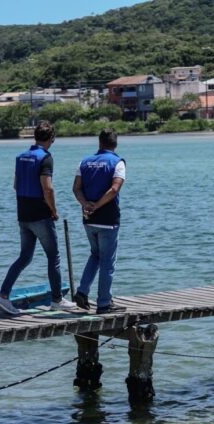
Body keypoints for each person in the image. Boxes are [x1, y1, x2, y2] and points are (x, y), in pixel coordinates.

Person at [0, 121, 76, 315]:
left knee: (24, 257)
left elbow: (16, 185)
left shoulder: (21, 157)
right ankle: (57, 299)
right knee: (53, 256)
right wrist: (54, 210)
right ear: (51, 139)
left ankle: (3, 295)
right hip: (40, 214)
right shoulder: (45, 158)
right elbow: (48, 187)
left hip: (23, 214)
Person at [72, 128, 127, 314]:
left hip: (88, 218)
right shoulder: (118, 163)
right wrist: (97, 205)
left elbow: (76, 188)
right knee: (107, 262)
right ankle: (104, 303)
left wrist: (86, 204)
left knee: (95, 255)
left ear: (100, 142)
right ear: (115, 143)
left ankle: (82, 292)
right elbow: (114, 189)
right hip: (107, 219)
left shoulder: (84, 162)